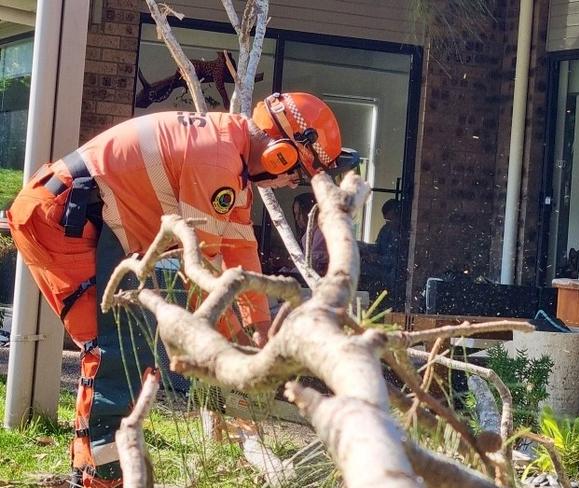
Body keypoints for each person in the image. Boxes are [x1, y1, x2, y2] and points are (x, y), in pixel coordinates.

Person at [8, 92, 358, 487]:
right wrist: (221, 356)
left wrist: (259, 326)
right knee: (119, 349)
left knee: (126, 345)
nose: (287, 183)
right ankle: (100, 476)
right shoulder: (218, 159)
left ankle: (95, 468)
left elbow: (240, 253)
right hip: (65, 218)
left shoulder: (232, 157)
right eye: (294, 174)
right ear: (281, 155)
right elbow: (203, 270)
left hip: (87, 217)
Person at [292, 192, 328, 275]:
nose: (296, 218)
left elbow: (313, 263)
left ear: (310, 211)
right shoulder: (311, 232)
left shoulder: (321, 232)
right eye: (295, 214)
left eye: (300, 213)